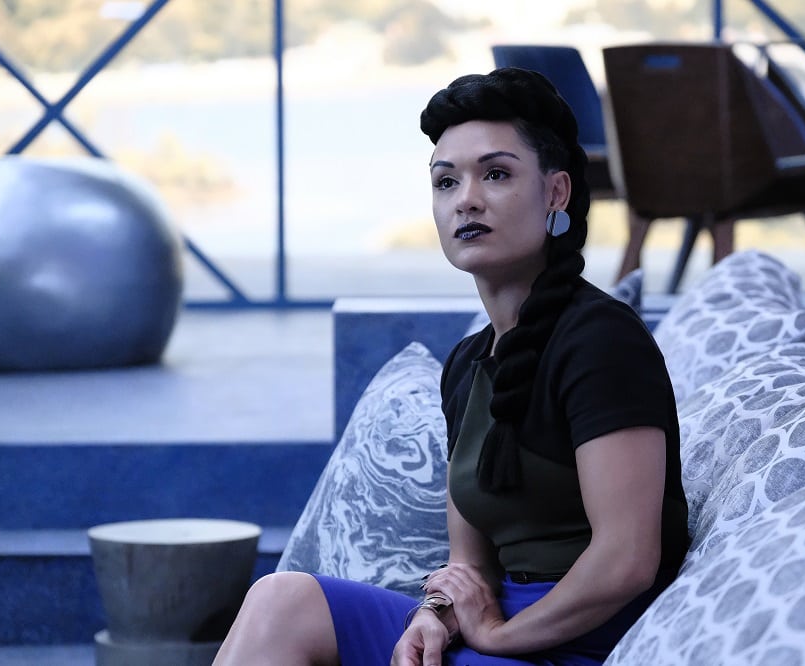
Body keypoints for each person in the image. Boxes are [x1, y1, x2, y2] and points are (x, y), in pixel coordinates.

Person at [213, 67, 689, 666]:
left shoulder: (601, 341)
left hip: (573, 641)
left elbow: (627, 560)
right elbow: (469, 565)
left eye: (496, 174)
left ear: (556, 193)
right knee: (280, 600)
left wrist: (498, 636)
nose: (466, 199)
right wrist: (435, 614)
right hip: (495, 625)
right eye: (446, 181)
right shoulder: (468, 364)